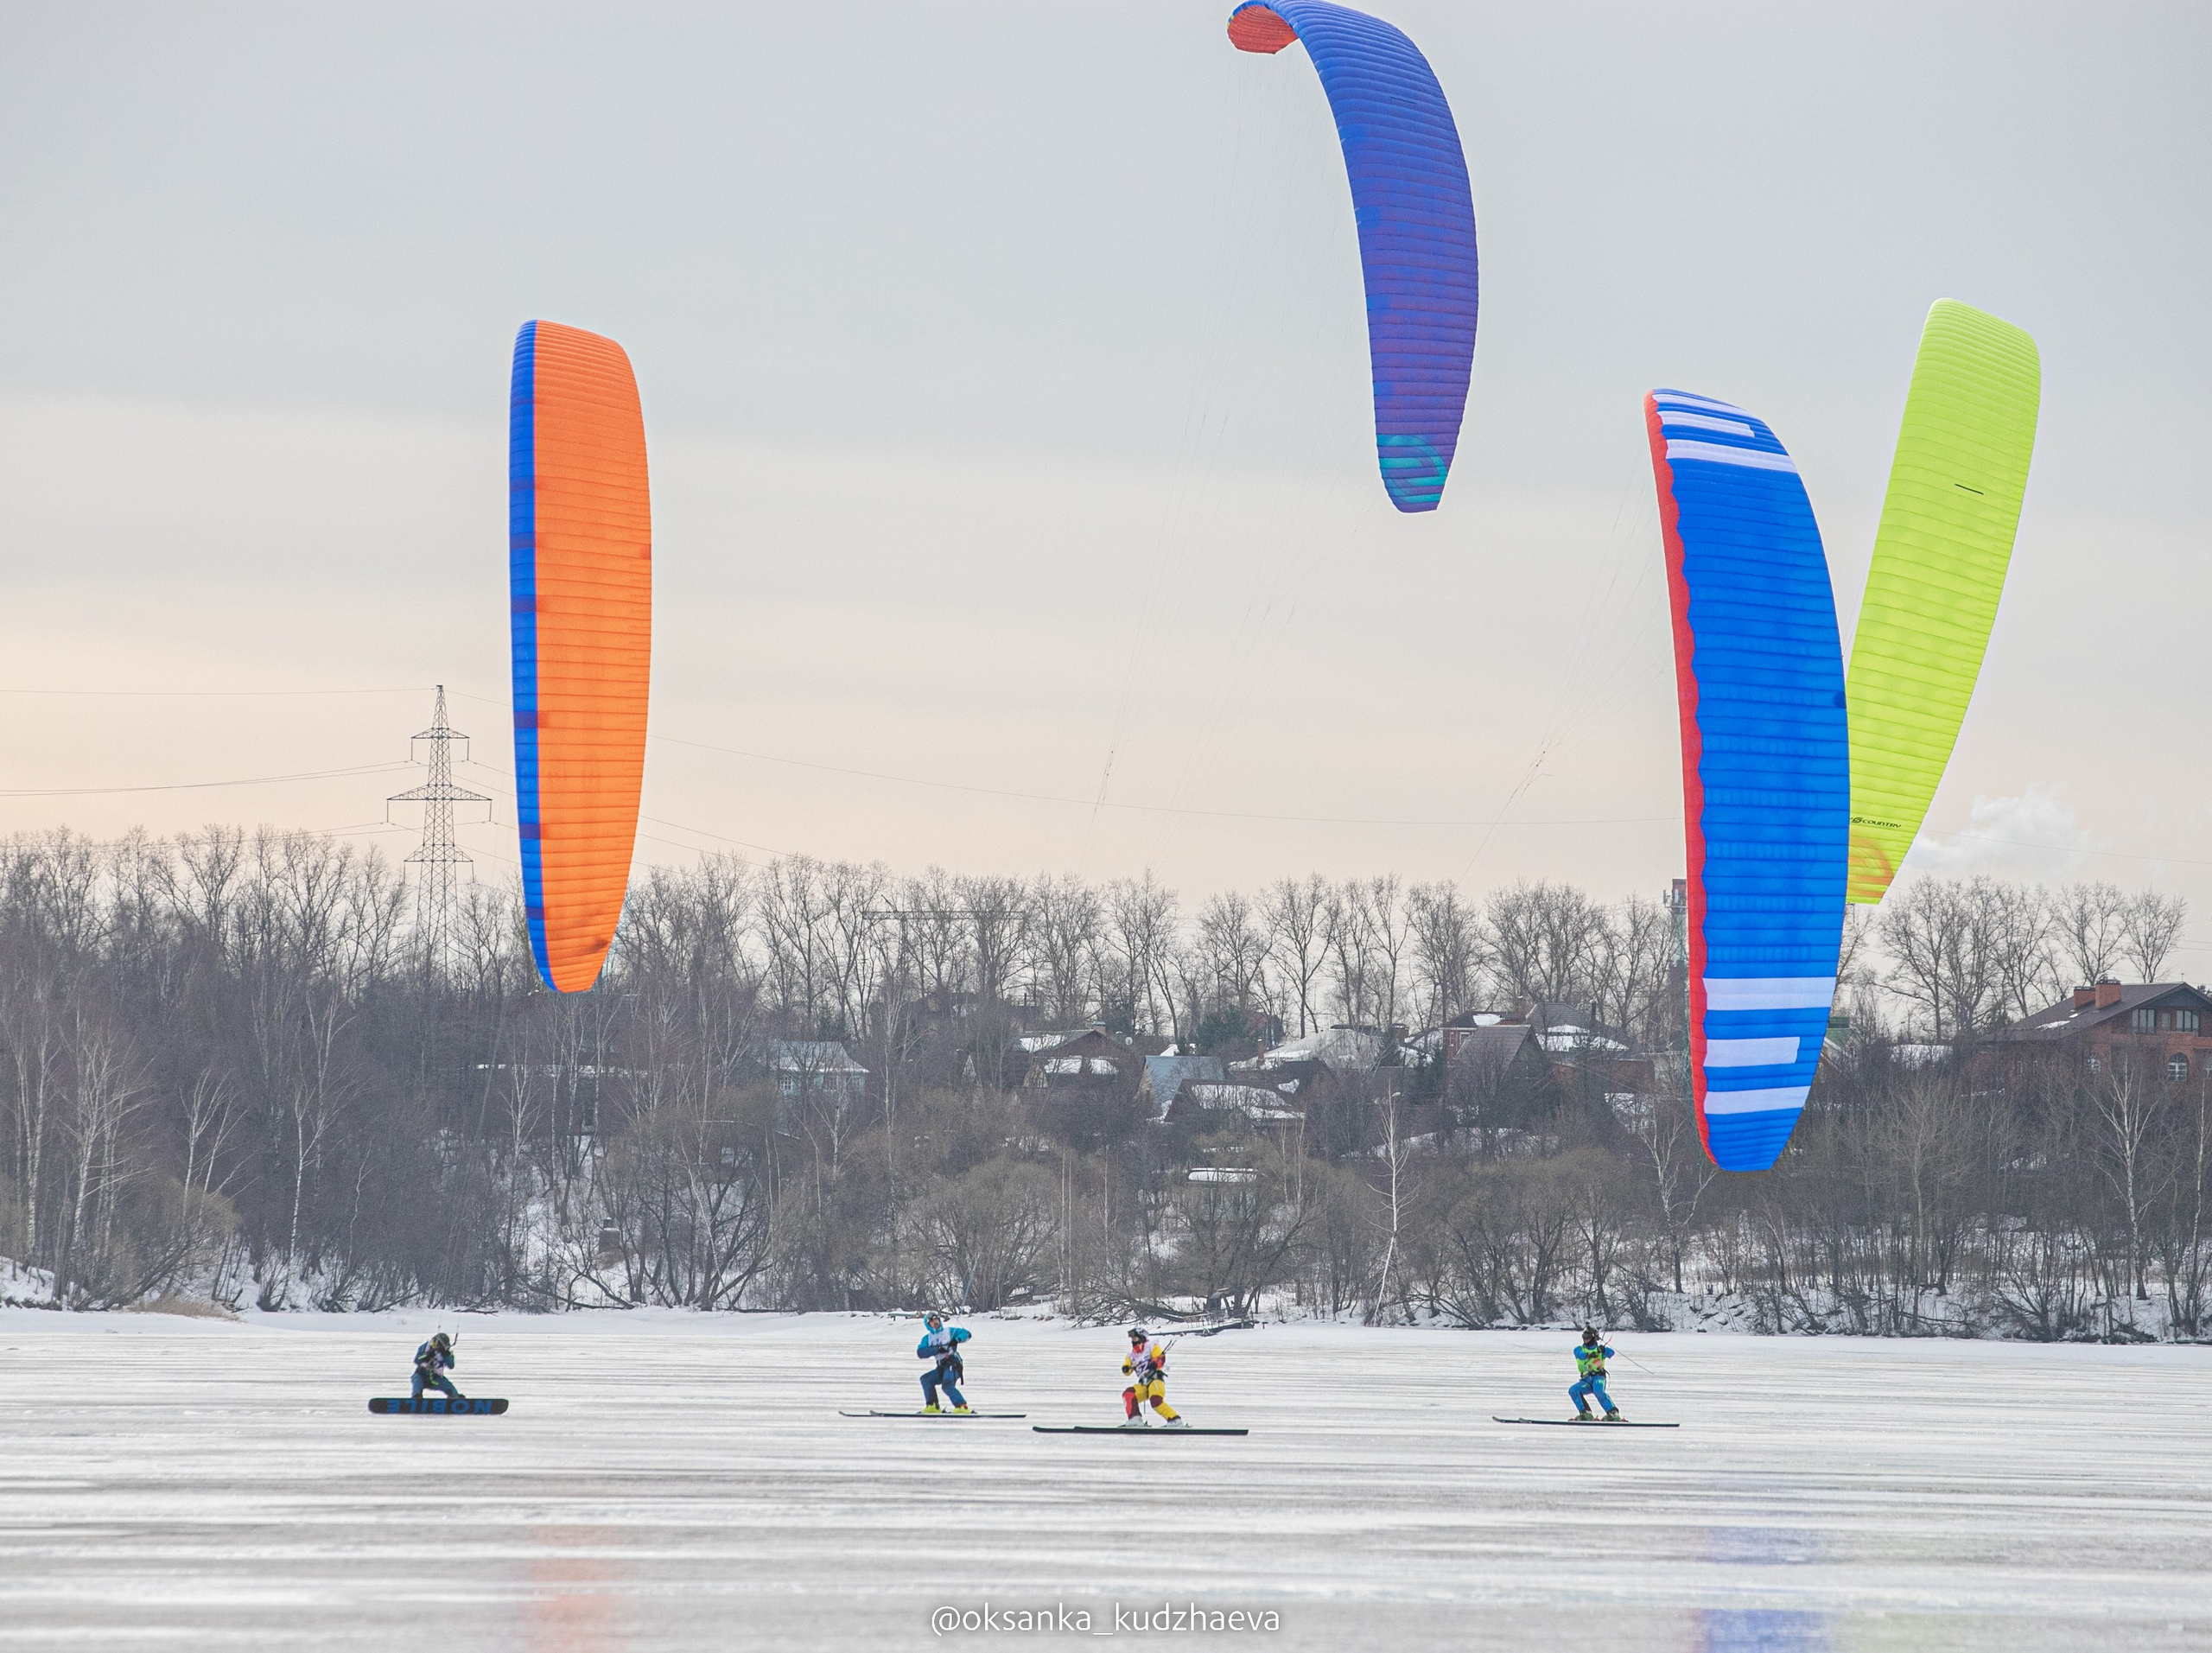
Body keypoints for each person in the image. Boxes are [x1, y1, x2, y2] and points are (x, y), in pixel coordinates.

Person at [1122, 1327, 1187, 1427]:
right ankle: (1135, 1419)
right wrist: (1126, 1368)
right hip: (1143, 1383)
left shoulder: (1151, 1346)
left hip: (1155, 1380)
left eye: (1135, 1338)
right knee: (1129, 1394)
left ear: (1141, 1337)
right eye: (1132, 1339)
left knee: (1155, 1400)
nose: (1133, 1340)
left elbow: (1160, 1359)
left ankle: (1174, 1420)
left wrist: (1154, 1365)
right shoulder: (1131, 1355)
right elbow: (1127, 1368)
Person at [915, 1312, 972, 1414]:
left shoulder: (949, 1332)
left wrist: (956, 1340)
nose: (935, 1322)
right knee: (926, 1379)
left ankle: (962, 1406)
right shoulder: (927, 1338)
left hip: (953, 1364)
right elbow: (921, 1352)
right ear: (928, 1325)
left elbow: (967, 1334)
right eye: (932, 1321)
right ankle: (933, 1405)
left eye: (937, 1320)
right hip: (941, 1367)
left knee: (947, 1385)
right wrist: (937, 1350)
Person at [1569, 1326, 1622, 1421]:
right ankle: (1586, 1413)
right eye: (1584, 1337)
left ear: (1593, 1338)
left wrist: (1604, 1350)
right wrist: (1590, 1354)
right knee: (1573, 1390)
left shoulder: (1600, 1350)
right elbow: (1580, 1355)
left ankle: (1612, 1412)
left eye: (1588, 1337)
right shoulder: (1579, 1349)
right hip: (1586, 1380)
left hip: (1598, 1378)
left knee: (1598, 1391)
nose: (1585, 1340)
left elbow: (1611, 1353)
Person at [411, 1332, 465, 1402]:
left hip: (436, 1378)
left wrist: (446, 1355)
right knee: (417, 1382)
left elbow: (451, 1366)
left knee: (448, 1386)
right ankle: (416, 1398)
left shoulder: (447, 1353)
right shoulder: (425, 1347)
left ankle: (454, 1399)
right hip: (421, 1375)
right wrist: (427, 1355)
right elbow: (417, 1360)